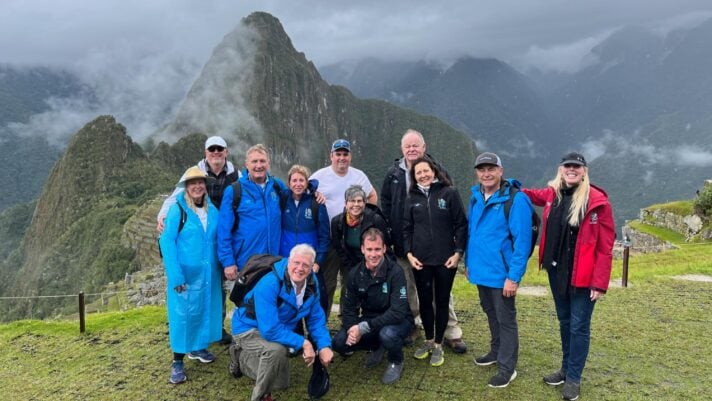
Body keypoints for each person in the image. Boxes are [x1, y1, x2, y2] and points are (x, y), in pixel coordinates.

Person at [522, 152, 615, 401]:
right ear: (561, 169)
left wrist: (600, 283)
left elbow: (605, 247)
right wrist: (511, 186)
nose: (571, 170)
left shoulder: (597, 202)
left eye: (576, 166)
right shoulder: (554, 194)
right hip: (557, 271)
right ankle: (565, 370)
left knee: (579, 326)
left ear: (584, 171)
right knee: (564, 322)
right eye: (567, 166)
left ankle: (574, 378)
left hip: (584, 278)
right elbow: (534, 195)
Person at [381, 128, 468, 352]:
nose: (411, 149)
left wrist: (456, 249)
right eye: (407, 146)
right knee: (411, 289)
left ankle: (450, 331)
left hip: (438, 248)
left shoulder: (437, 172)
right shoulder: (393, 174)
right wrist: (392, 237)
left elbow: (453, 211)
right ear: (402, 149)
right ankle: (417, 326)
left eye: (415, 145)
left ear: (423, 148)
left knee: (441, 292)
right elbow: (386, 204)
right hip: (405, 245)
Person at [157, 135, 241, 344]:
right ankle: (195, 335)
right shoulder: (195, 174)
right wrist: (162, 216)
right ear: (206, 153)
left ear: (226, 152)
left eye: (219, 149)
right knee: (198, 290)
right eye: (211, 150)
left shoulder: (235, 175)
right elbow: (173, 198)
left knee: (217, 287)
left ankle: (216, 328)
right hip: (201, 240)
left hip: (225, 239)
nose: (215, 153)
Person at [465, 152, 534, 388]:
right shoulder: (476, 197)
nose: (486, 173)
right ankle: (495, 352)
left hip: (502, 274)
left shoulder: (515, 200)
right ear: (477, 173)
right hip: (482, 271)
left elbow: (522, 242)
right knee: (491, 313)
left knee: (506, 319)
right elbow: (473, 233)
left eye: (491, 169)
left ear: (500, 171)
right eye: (482, 169)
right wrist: (469, 264)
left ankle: (507, 367)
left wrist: (513, 277)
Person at [231, 244, 334, 401]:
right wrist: (304, 343)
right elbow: (270, 330)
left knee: (281, 382)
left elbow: (316, 319)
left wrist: (324, 345)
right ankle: (260, 396)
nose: (299, 268)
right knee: (276, 351)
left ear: (312, 267)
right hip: (247, 328)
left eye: (305, 265)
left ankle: (239, 358)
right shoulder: (269, 283)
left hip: (277, 328)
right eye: (296, 262)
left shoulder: (312, 283)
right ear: (288, 261)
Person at [159, 166, 222, 384]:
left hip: (208, 273)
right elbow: (166, 241)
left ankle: (197, 348)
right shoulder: (179, 210)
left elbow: (218, 238)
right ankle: (177, 361)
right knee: (182, 315)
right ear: (186, 186)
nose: (197, 186)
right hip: (185, 275)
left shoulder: (212, 210)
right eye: (192, 183)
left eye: (200, 182)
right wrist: (176, 276)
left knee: (203, 309)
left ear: (204, 186)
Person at [402, 157, 468, 367]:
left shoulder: (449, 193)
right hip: (420, 261)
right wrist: (409, 254)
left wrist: (457, 253)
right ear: (414, 177)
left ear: (434, 171)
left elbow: (461, 225)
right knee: (424, 302)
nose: (423, 175)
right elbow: (406, 228)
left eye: (426, 171)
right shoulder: (411, 198)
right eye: (418, 173)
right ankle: (429, 340)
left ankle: (439, 343)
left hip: (445, 260)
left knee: (441, 301)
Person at [332, 228, 414, 385]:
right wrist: (352, 329)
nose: (373, 254)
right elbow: (348, 308)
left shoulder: (396, 272)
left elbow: (398, 312)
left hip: (398, 321)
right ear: (362, 249)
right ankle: (379, 346)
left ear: (384, 248)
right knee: (339, 342)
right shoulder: (355, 273)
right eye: (369, 249)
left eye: (377, 249)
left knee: (388, 334)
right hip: (370, 320)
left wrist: (363, 327)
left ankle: (396, 360)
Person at [310, 139, 378, 318]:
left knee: (351, 281)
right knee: (327, 281)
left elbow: (372, 195)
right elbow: (304, 197)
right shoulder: (319, 177)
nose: (341, 158)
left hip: (351, 240)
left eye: (345, 154)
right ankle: (321, 321)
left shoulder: (359, 176)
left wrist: (366, 219)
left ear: (350, 156)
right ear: (331, 156)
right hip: (329, 239)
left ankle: (348, 320)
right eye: (338, 154)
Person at [218, 144, 286, 279]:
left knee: (270, 299)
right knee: (246, 300)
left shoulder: (277, 187)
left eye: (262, 161)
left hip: (274, 262)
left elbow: (298, 198)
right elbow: (223, 230)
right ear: (247, 164)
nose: (258, 165)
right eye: (254, 161)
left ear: (268, 163)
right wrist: (228, 262)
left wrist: (314, 192)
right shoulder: (234, 191)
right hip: (246, 263)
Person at [279, 164, 331, 315]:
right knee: (286, 296)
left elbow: (324, 236)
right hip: (287, 259)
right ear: (288, 183)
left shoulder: (316, 204)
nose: (298, 184)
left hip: (310, 261)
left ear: (307, 182)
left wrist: (318, 262)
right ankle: (294, 330)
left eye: (301, 180)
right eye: (294, 180)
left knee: (317, 296)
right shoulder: (282, 200)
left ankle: (317, 331)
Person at [330, 185, 391, 312]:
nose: (356, 205)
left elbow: (386, 244)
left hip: (374, 261)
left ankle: (373, 317)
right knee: (349, 288)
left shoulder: (375, 219)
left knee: (374, 292)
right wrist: (351, 266)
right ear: (346, 203)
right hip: (351, 261)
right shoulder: (337, 222)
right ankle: (347, 318)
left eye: (359, 201)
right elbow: (338, 247)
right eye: (352, 201)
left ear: (365, 203)